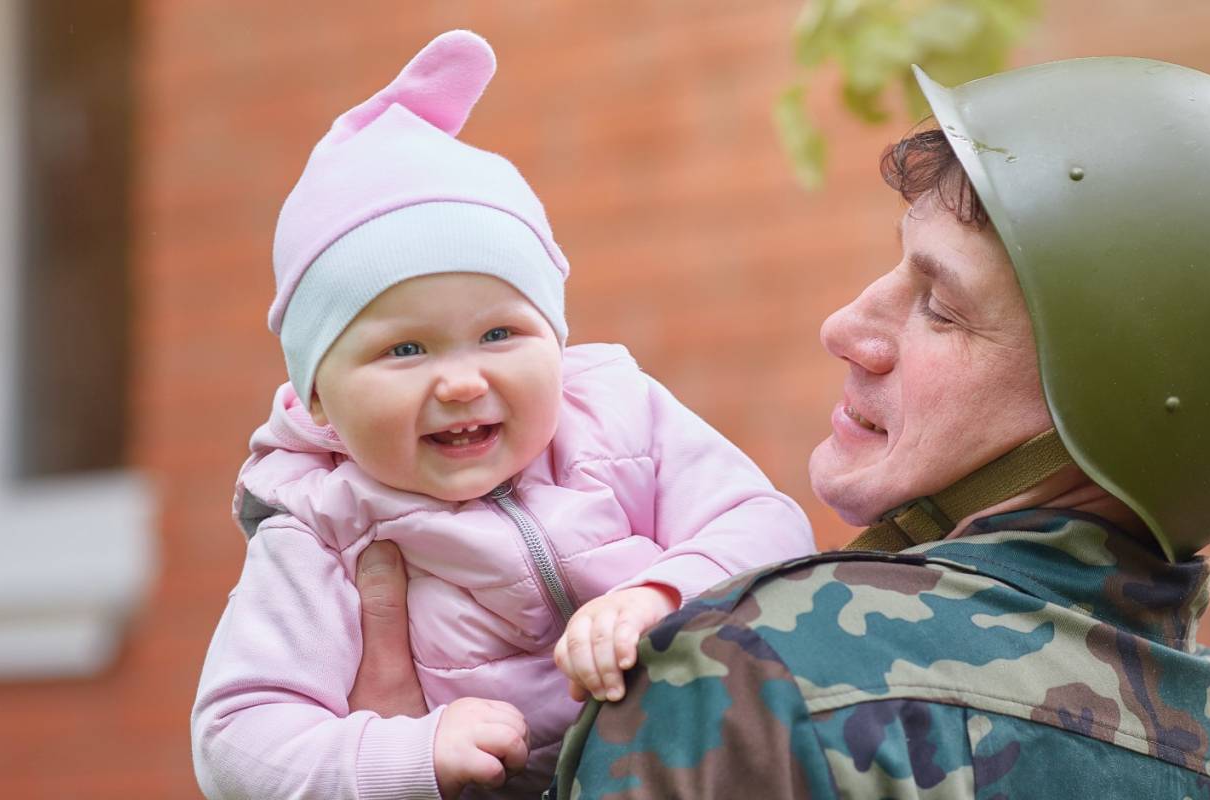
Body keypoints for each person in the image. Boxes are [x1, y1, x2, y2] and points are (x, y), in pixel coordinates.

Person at [540, 59, 1210, 798]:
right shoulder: (1207, 757)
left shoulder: (759, 674)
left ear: (1104, 410)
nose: (846, 326)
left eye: (941, 307)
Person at [189, 31, 816, 799]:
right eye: (406, 349)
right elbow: (237, 738)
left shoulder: (620, 414)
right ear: (317, 397)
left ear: (555, 338)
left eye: (499, 334)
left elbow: (767, 523)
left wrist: (656, 593)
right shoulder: (321, 526)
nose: (461, 381)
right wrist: (411, 754)